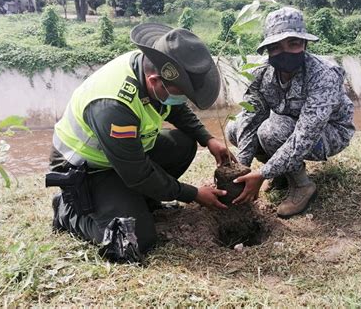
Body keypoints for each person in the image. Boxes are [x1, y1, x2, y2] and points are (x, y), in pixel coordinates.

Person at [48, 23, 233, 262]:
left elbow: (175, 108)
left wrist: (207, 139)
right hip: (88, 168)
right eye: (181, 94)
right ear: (155, 81)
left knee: (183, 144)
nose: (182, 100)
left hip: (123, 156)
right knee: (133, 240)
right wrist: (193, 193)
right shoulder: (113, 106)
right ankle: (67, 211)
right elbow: (138, 173)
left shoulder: (152, 74)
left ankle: (140, 201)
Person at [226, 7, 355, 218]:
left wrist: (262, 174)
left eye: (293, 44)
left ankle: (302, 186)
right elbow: (251, 118)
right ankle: (283, 171)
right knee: (235, 128)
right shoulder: (261, 73)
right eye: (276, 47)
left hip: (328, 132)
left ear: (304, 44)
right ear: (268, 50)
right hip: (286, 124)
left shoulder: (324, 75)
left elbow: (307, 133)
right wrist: (243, 169)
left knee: (271, 132)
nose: (284, 52)